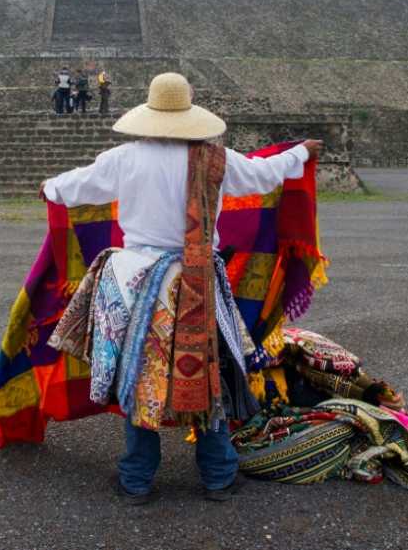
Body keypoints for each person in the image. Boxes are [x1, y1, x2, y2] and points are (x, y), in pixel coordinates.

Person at [39, 73, 322, 504]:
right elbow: (266, 175)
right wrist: (300, 152)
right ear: (190, 113)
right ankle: (218, 475)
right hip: (196, 282)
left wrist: (49, 187)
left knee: (139, 378)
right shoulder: (216, 159)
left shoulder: (124, 158)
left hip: (135, 282)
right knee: (208, 373)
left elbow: (75, 185)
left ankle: (136, 479)